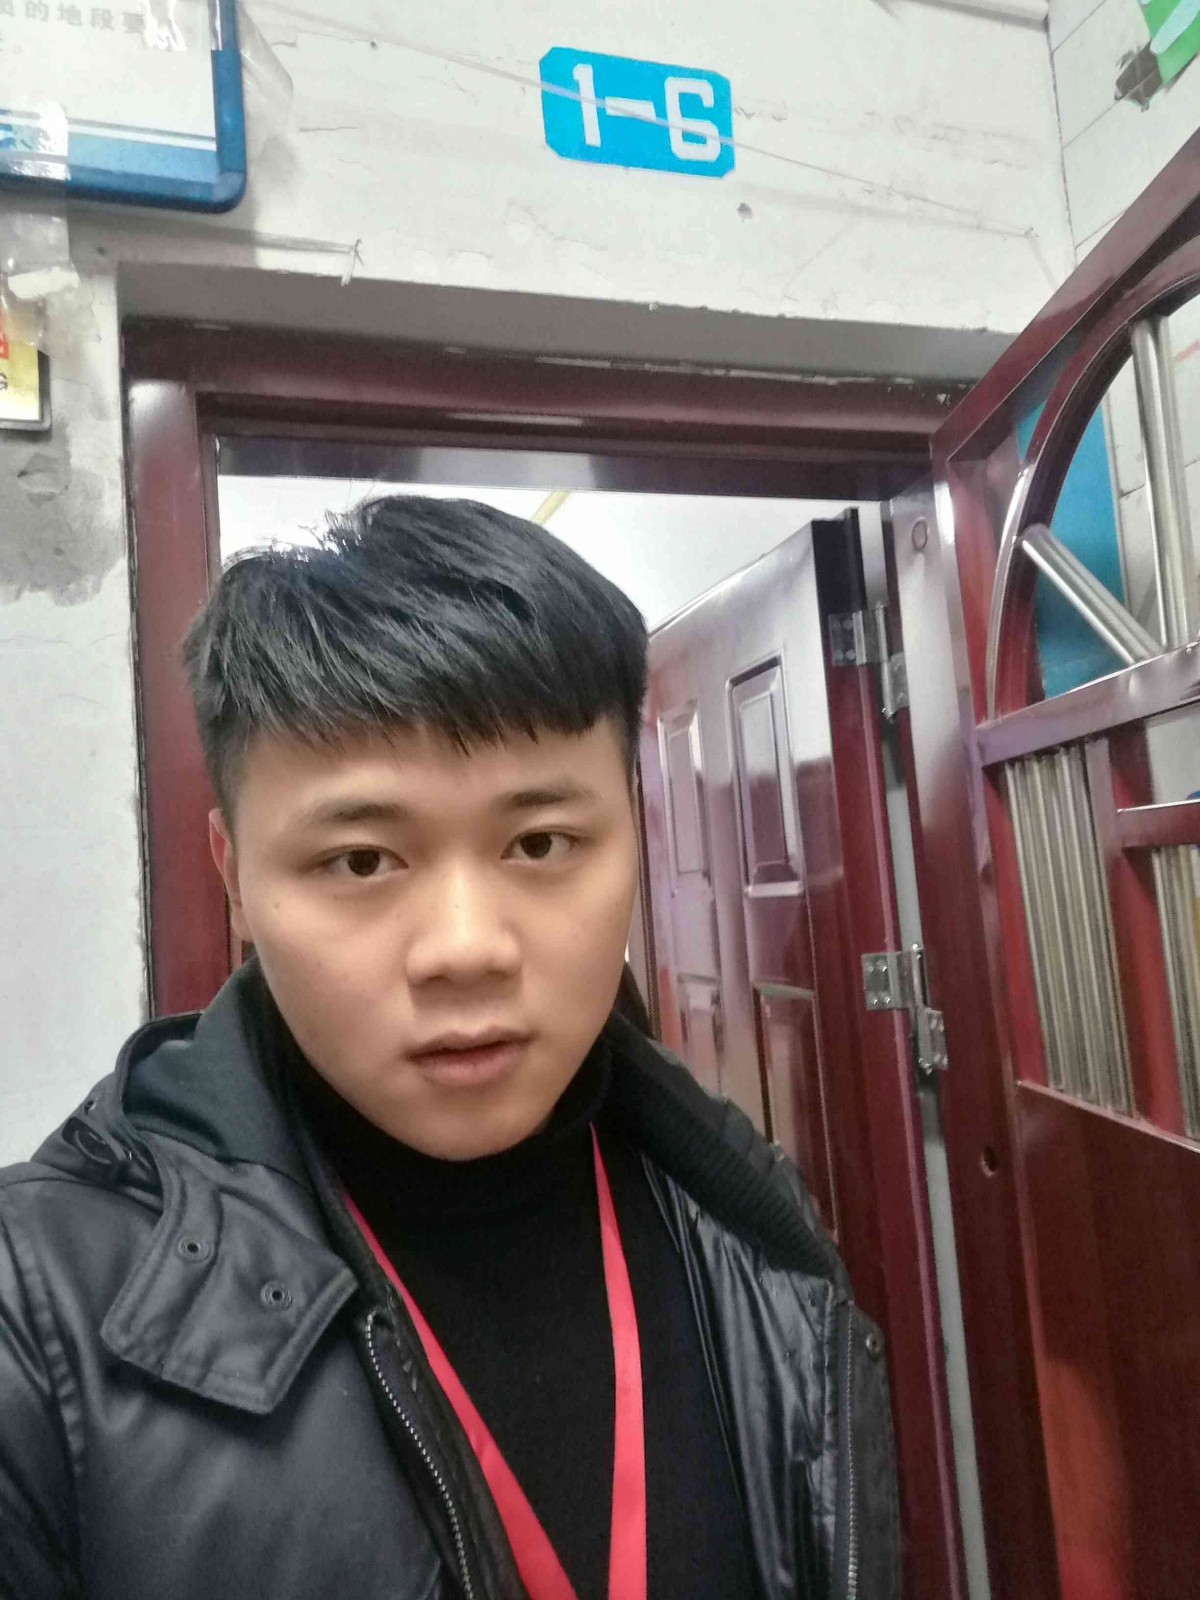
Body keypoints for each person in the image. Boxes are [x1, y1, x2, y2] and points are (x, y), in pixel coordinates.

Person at [0, 496, 899, 1600]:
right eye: (362, 861)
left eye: (541, 842)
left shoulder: (743, 1219)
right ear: (234, 876)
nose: (467, 949)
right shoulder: (38, 1313)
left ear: (634, 825)